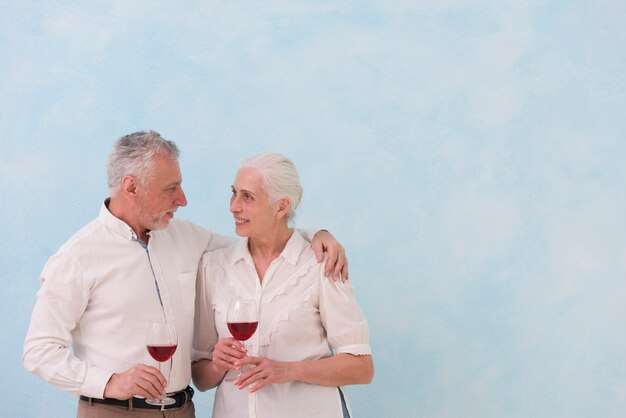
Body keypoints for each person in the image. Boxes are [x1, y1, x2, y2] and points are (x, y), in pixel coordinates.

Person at [22, 131, 348, 418]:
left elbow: (262, 241)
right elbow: (39, 350)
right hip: (114, 413)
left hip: (182, 411)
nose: (183, 199)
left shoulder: (186, 236)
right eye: (171, 188)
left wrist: (318, 234)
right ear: (131, 187)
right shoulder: (77, 257)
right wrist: (109, 382)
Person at [192, 152, 373, 418]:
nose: (234, 206)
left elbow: (362, 367)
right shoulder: (214, 267)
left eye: (247, 197)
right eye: (233, 193)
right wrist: (218, 365)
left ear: (281, 207)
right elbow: (201, 378)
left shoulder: (321, 263)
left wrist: (289, 370)